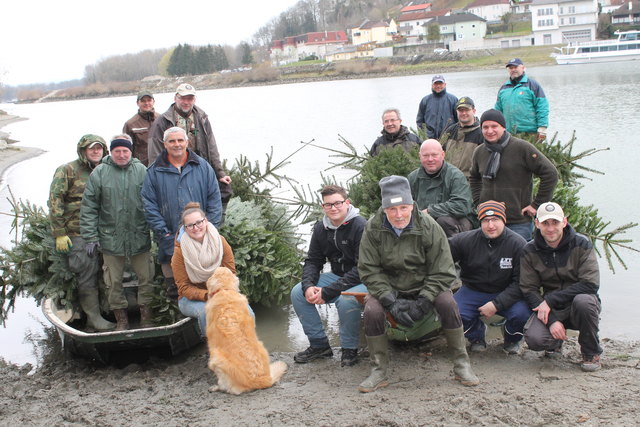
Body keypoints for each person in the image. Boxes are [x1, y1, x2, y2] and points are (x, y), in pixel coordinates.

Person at [357, 175, 479, 392]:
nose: (398, 215)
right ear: (384, 208)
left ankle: (461, 364)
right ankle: (379, 370)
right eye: (392, 210)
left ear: (411, 204)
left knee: (448, 304)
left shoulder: (429, 226)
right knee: (372, 310)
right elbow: (368, 269)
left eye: (404, 208)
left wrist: (424, 300)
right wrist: (389, 300)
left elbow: (443, 269)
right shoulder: (373, 228)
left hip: (425, 285)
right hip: (390, 288)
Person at [80, 135, 153, 330]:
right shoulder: (100, 173)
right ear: (111, 152)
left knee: (146, 277)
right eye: (117, 151)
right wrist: (91, 237)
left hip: (139, 236)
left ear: (131, 152)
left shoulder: (142, 171)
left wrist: (158, 230)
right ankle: (122, 320)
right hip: (110, 238)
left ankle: (146, 317)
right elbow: (89, 207)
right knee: (113, 282)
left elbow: (152, 202)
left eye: (125, 151)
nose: (121, 155)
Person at [141, 126, 222, 300]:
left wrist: (210, 228)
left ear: (187, 142)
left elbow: (214, 198)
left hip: (201, 233)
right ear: (164, 144)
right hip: (169, 234)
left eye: (180, 140)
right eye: (172, 141)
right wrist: (164, 232)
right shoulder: (154, 171)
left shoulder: (202, 166)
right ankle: (178, 305)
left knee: (204, 278)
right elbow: (149, 204)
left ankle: (207, 305)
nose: (176, 144)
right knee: (175, 284)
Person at [290, 185, 367, 367]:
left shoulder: (360, 226)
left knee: (346, 299)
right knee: (298, 293)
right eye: (328, 205)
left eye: (337, 203)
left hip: (365, 278)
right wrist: (308, 285)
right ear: (323, 207)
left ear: (347, 203)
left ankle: (349, 348)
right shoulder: (320, 228)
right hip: (338, 276)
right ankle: (319, 345)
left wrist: (327, 292)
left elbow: (362, 269)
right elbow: (313, 261)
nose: (333, 208)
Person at [520, 202, 602, 372]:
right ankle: (555, 342)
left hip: (579, 303)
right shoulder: (529, 250)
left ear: (564, 222)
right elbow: (529, 290)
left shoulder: (582, 244)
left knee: (584, 302)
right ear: (537, 224)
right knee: (535, 340)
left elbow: (590, 284)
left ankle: (590, 352)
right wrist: (552, 321)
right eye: (545, 223)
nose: (551, 228)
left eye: (555, 222)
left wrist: (549, 300)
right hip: (552, 309)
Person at [48, 134, 115, 331]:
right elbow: (55, 201)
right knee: (87, 271)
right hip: (77, 233)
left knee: (107, 272)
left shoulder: (106, 170)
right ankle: (93, 318)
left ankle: (107, 311)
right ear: (83, 151)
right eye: (91, 148)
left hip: (103, 231)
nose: (95, 151)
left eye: (99, 148)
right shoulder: (67, 170)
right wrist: (59, 232)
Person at [449, 200, 530, 354]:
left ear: (504, 220)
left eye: (495, 220)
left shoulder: (518, 244)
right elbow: (441, 259)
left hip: (507, 292)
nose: (491, 225)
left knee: (522, 314)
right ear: (480, 222)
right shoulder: (464, 240)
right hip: (473, 290)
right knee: (452, 312)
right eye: (486, 220)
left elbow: (521, 283)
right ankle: (477, 335)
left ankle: (511, 338)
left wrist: (496, 304)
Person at [469, 109, 558, 241]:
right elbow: (474, 178)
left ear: (503, 127)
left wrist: (537, 205)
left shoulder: (522, 148)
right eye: (485, 127)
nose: (489, 131)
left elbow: (550, 173)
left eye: (494, 126)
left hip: (518, 221)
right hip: (489, 221)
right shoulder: (479, 151)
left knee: (518, 260)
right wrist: (478, 202)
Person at [148, 83, 232, 214]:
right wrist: (157, 177)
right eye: (182, 98)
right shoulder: (162, 121)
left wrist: (220, 173)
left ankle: (212, 227)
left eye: (190, 98)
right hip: (173, 169)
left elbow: (212, 146)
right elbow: (154, 153)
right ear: (175, 98)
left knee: (224, 191)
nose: (186, 102)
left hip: (198, 166)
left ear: (195, 99)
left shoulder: (202, 117)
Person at [171, 202, 250, 337]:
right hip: (190, 299)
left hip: (222, 293)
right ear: (185, 228)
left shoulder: (221, 242)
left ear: (206, 221)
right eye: (190, 225)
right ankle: (213, 350)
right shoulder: (179, 252)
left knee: (247, 311)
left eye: (199, 222)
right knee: (208, 312)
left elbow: (230, 275)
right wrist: (207, 296)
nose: (196, 228)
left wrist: (223, 295)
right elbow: (183, 288)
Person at [407, 139, 475, 237]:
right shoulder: (412, 178)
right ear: (420, 156)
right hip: (423, 223)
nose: (430, 159)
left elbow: (462, 205)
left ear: (443, 155)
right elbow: (406, 205)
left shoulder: (455, 176)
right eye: (425, 155)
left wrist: (430, 211)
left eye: (434, 155)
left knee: (443, 221)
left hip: (457, 223)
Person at [495, 58, 549, 141]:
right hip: (509, 133)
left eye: (515, 67)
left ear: (523, 68)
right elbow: (498, 110)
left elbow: (542, 107)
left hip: (530, 133)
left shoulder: (533, 85)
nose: (513, 70)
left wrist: (542, 127)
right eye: (510, 68)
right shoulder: (503, 88)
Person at [440, 96, 484, 179]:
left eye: (467, 110)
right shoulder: (450, 130)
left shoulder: (481, 133)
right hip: (448, 178)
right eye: (461, 110)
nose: (464, 113)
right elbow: (440, 153)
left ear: (474, 111)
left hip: (470, 181)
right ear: (456, 112)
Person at [122, 91, 159, 166]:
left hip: (161, 163)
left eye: (149, 100)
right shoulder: (130, 124)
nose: (146, 103)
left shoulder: (161, 120)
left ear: (153, 102)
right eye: (143, 101)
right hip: (141, 166)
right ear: (137, 103)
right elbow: (126, 148)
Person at [416, 74, 458, 139]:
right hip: (429, 139)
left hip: (449, 138)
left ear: (445, 84)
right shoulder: (425, 100)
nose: (438, 86)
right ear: (432, 85)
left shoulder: (453, 100)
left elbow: (458, 120)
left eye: (440, 83)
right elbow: (420, 121)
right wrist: (423, 136)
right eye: (436, 84)